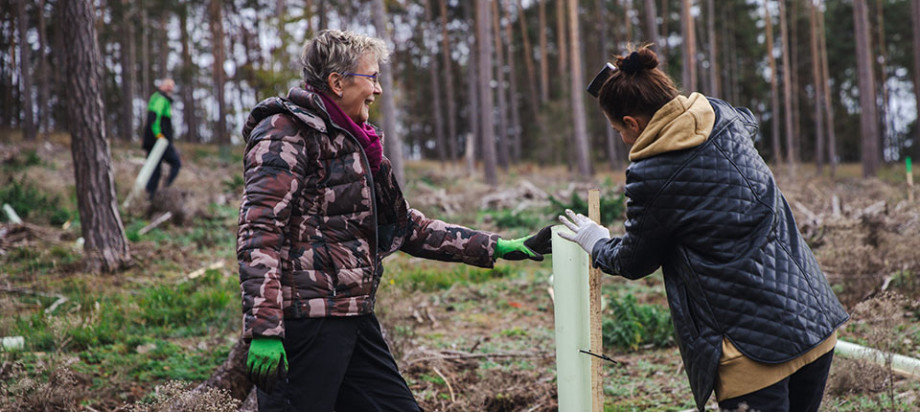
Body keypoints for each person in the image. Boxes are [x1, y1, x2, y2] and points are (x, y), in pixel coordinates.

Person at [237, 29, 551, 411]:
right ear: (338, 82)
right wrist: (265, 330)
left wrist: (497, 246)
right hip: (306, 323)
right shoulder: (283, 134)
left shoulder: (357, 143)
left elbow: (406, 226)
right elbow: (260, 232)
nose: (379, 90)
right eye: (372, 78)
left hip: (353, 317)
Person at [558, 46, 848, 412]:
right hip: (811, 317)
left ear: (632, 123)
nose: (622, 138)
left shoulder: (652, 174)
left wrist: (597, 242)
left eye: (618, 130)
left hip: (751, 352)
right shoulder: (723, 116)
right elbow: (748, 122)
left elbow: (634, 261)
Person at [142, 78, 181, 199]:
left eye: (172, 86)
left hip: (155, 141)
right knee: (176, 163)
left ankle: (150, 196)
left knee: (154, 169)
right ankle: (164, 188)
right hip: (160, 141)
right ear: (161, 86)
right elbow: (154, 117)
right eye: (168, 85)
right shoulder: (161, 99)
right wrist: (159, 135)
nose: (170, 88)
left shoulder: (158, 98)